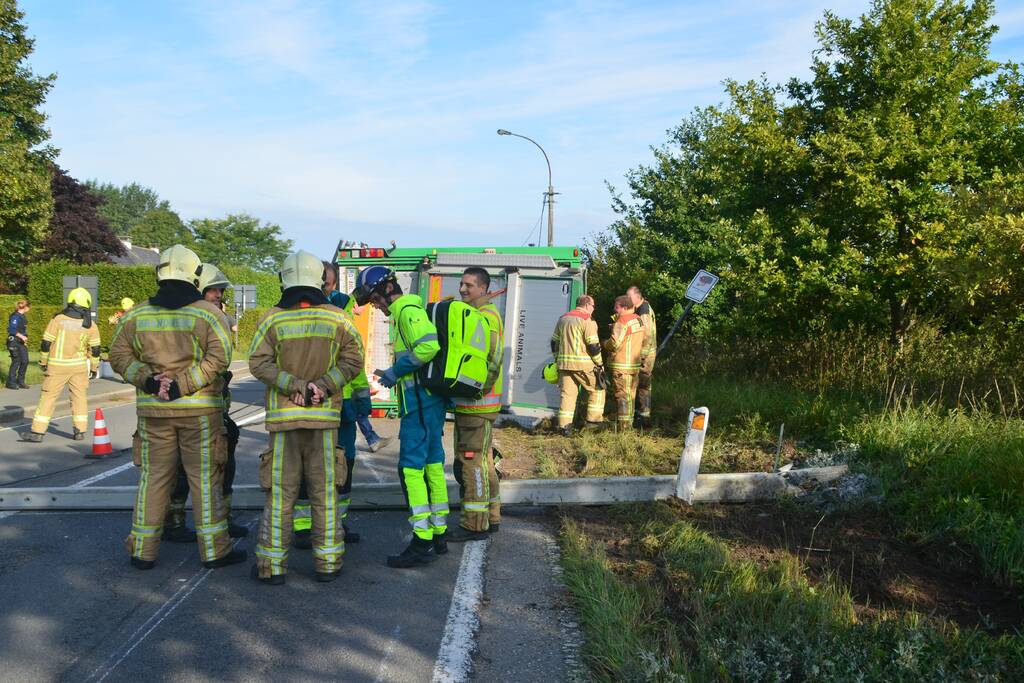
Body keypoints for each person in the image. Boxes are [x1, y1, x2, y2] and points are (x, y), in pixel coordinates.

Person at [109, 244, 244, 571]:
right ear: (194, 275)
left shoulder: (137, 314)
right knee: (204, 480)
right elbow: (219, 359)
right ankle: (215, 550)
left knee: (153, 480)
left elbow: (118, 357)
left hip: (154, 412)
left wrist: (151, 382)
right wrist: (184, 384)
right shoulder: (208, 314)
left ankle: (142, 550)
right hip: (198, 413)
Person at [249, 250, 364, 585]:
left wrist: (293, 385)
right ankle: (328, 563)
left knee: (281, 495)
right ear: (318, 280)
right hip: (324, 420)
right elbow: (353, 361)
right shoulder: (338, 318)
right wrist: (322, 387)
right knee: (325, 493)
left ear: (284, 279)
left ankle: (271, 567)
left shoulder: (271, 319)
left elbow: (258, 363)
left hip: (285, 421)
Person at [353, 265, 447, 568]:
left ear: (386, 290)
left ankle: (422, 541)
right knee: (433, 465)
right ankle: (439, 533)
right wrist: (394, 372)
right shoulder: (409, 310)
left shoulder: (406, 310)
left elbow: (429, 346)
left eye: (375, 300)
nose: (376, 307)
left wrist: (395, 371)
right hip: (427, 404)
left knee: (410, 469)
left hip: (419, 406)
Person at [162, 264, 248, 542]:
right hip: (194, 406)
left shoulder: (200, 314)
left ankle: (199, 520)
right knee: (197, 467)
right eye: (215, 289)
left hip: (204, 405)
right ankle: (198, 523)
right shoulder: (199, 317)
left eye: (221, 290)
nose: (220, 295)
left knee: (216, 462)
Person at [447, 267, 504, 542]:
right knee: (484, 462)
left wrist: (477, 388)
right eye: (461, 284)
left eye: (469, 285)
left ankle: (474, 524)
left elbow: (493, 359)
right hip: (475, 406)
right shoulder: (476, 314)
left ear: (483, 288)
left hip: (476, 405)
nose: (462, 289)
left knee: (471, 464)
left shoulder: (485, 317)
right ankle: (491, 517)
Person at [22, 289, 100, 442]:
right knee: (79, 398)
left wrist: (43, 362)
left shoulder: (58, 320)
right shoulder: (90, 325)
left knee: (48, 398)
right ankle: (80, 431)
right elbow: (96, 349)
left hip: (57, 367)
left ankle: (37, 432)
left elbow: (46, 343)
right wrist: (93, 368)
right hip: (78, 368)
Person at [550, 295, 605, 436]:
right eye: (593, 306)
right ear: (587, 305)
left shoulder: (563, 318)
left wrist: (558, 360)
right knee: (598, 390)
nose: (593, 309)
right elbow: (593, 346)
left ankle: (564, 428)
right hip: (583, 365)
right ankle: (593, 424)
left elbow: (554, 343)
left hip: (564, 365)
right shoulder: (587, 320)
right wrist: (600, 363)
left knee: (567, 396)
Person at [604, 295, 645, 430]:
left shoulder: (622, 321)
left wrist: (604, 343)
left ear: (625, 307)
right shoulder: (638, 319)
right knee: (630, 396)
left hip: (621, 366)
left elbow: (614, 343)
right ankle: (629, 424)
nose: (615, 310)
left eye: (617, 307)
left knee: (622, 396)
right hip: (634, 365)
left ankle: (624, 428)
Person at [627, 286, 657, 427]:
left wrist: (642, 356)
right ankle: (641, 413)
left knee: (643, 384)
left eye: (630, 297)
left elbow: (647, 335)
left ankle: (643, 416)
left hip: (645, 354)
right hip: (642, 353)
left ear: (638, 297)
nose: (628, 300)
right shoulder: (639, 308)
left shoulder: (643, 311)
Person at [6, 299, 30, 389]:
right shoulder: (15, 316)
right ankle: (11, 382)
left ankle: (20, 381)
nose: (29, 309)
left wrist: (24, 339)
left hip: (21, 342)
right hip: (14, 342)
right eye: (29, 307)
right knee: (16, 361)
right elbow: (11, 330)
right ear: (25, 307)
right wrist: (22, 336)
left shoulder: (22, 316)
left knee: (25, 361)